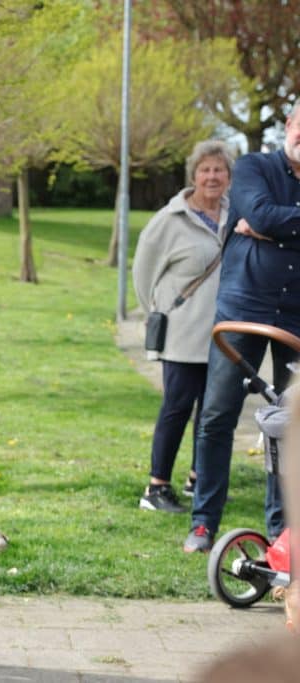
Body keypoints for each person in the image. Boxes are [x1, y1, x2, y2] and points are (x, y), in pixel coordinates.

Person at [184, 106, 300, 553]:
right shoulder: (254, 167)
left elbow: (270, 220)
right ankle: (203, 523)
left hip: (294, 317)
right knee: (216, 414)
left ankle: (281, 533)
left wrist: (273, 223)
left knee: (289, 423)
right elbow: (261, 214)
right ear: (288, 127)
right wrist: (266, 222)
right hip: (242, 308)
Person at [132, 140, 235, 514]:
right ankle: (156, 487)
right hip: (182, 334)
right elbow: (143, 276)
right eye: (205, 169)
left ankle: (199, 478)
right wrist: (160, 311)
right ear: (194, 175)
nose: (212, 176)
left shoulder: (235, 214)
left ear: (228, 176)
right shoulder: (169, 220)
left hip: (225, 336)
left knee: (214, 410)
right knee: (177, 408)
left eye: (219, 170)